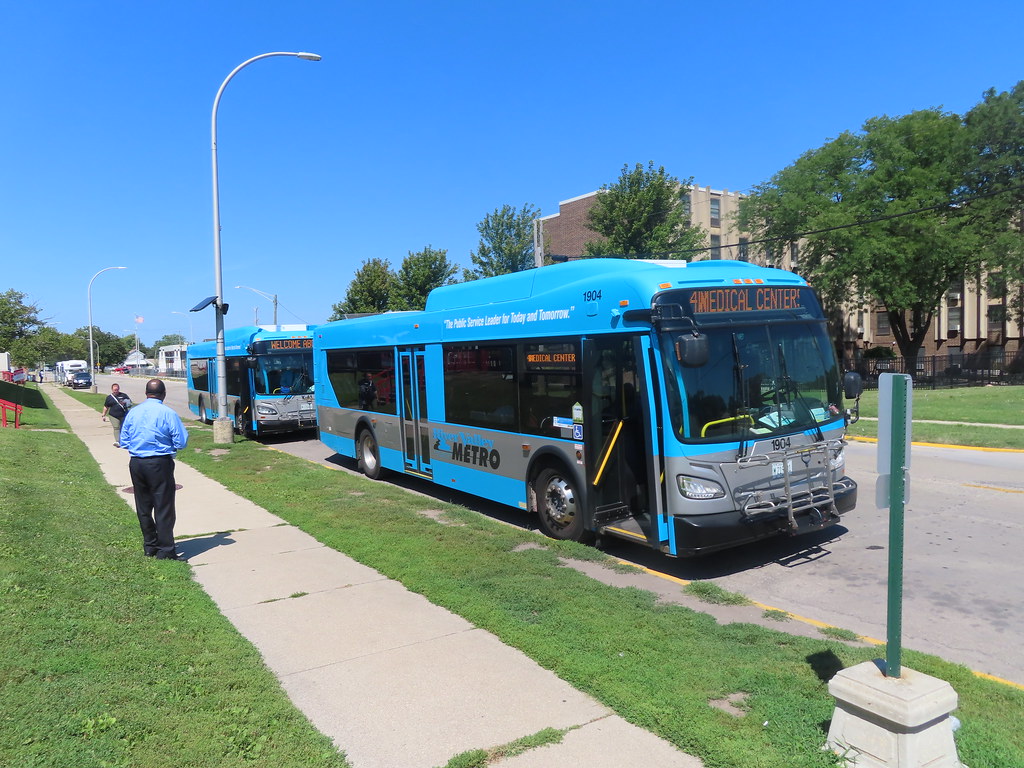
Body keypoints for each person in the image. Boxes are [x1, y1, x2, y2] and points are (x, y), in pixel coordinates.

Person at [119, 379, 189, 560]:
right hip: (159, 462)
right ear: (163, 394)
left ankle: (150, 546)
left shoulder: (133, 412)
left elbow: (124, 441)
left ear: (146, 393)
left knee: (143, 506)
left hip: (137, 463)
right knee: (163, 506)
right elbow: (181, 441)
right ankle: (166, 549)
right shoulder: (168, 413)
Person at [101, 382, 133, 447]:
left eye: (117, 389)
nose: (116, 391)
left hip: (123, 415)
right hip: (113, 416)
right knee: (116, 427)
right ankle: (118, 441)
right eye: (114, 390)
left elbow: (130, 404)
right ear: (112, 390)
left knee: (123, 428)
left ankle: (124, 440)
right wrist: (103, 415)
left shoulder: (124, 395)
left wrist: (125, 403)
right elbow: (106, 407)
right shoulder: (109, 398)